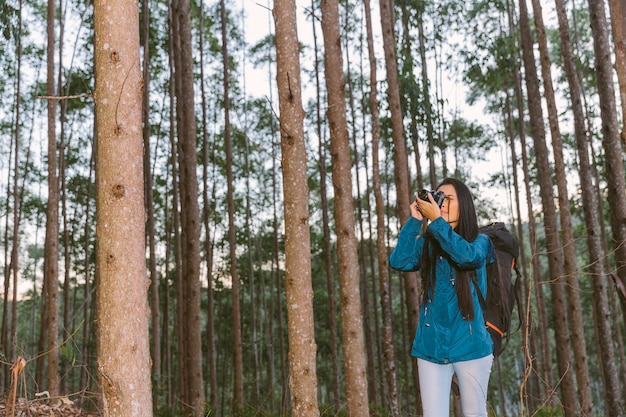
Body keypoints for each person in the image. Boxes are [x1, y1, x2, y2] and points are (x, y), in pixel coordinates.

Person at [389, 177, 495, 417]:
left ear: (464, 205)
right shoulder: (430, 243)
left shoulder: (481, 242)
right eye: (439, 198)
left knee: (474, 414)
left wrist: (436, 221)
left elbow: (466, 257)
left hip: (471, 346)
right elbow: (400, 261)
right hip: (430, 348)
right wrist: (416, 221)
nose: (442, 204)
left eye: (449, 199)